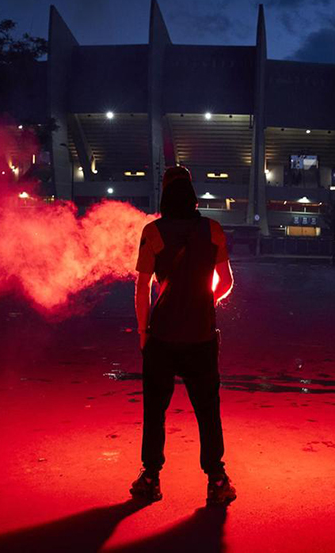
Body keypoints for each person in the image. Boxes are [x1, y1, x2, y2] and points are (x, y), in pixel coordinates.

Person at [130, 166, 237, 506]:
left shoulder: (153, 231)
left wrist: (144, 333)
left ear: (164, 193)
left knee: (155, 410)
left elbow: (141, 288)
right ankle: (216, 479)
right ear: (192, 193)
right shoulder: (213, 230)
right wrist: (207, 300)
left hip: (161, 337)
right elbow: (227, 281)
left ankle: (151, 477)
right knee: (208, 410)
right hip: (201, 337)